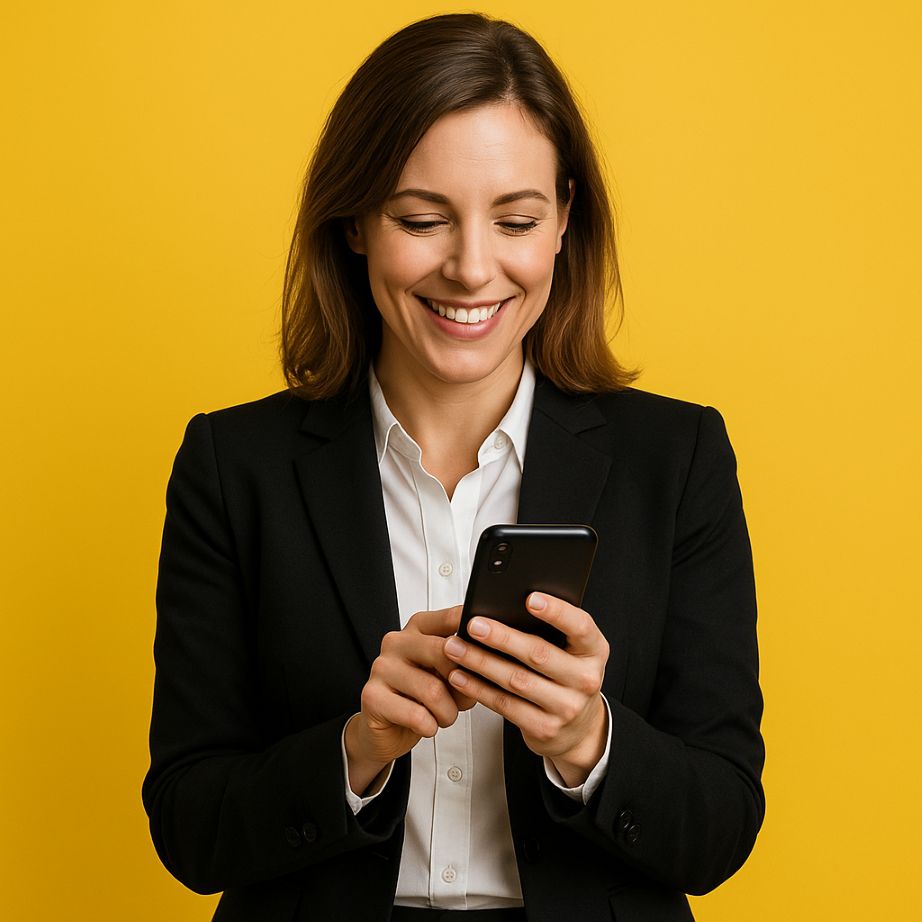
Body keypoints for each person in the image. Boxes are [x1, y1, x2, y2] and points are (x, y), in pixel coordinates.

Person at [142, 12, 764, 922]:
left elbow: (721, 830)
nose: (473, 269)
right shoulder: (234, 467)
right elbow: (191, 829)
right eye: (422, 219)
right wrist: (357, 748)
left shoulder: (675, 461)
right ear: (355, 222)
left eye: (516, 219)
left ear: (563, 225)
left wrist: (588, 742)